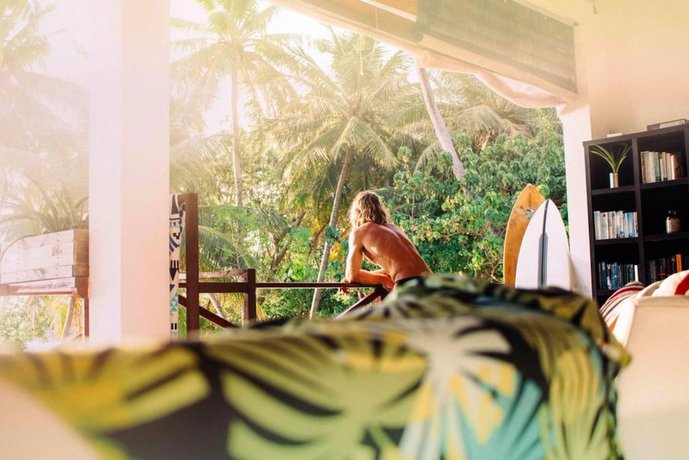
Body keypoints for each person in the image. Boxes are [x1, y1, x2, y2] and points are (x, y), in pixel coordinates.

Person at [343, 191, 431, 292]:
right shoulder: (394, 228)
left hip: (408, 284)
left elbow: (352, 276)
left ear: (356, 212)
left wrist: (382, 279)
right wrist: (381, 277)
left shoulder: (360, 232)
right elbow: (395, 267)